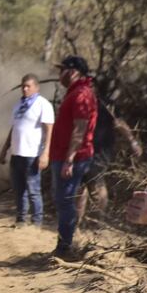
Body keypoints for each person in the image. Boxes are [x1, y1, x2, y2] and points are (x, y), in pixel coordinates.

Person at [49, 55, 98, 259]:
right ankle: (67, 244)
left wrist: (69, 159)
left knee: (65, 200)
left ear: (73, 72)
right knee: (65, 200)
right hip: (66, 155)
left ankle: (65, 247)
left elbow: (79, 128)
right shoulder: (76, 93)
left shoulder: (81, 95)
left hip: (73, 158)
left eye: (62, 70)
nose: (59, 74)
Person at [0, 74, 54, 227]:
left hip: (33, 154)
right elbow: (14, 128)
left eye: (28, 86)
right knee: (18, 189)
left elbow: (49, 129)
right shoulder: (18, 105)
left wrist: (45, 153)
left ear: (36, 87)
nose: (24, 88)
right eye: (23, 86)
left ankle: (37, 222)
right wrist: (5, 149)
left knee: (33, 190)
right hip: (17, 154)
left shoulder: (43, 105)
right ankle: (21, 220)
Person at [77, 97, 143, 222]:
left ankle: (98, 220)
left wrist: (133, 142)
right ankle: (76, 222)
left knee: (96, 185)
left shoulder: (105, 104)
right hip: (82, 151)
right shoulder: (80, 102)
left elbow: (120, 123)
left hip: (100, 152)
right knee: (80, 187)